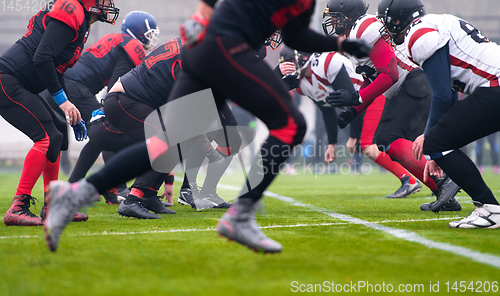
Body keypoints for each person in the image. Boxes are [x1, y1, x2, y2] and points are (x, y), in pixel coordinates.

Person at [43, 0, 371, 252]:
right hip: (223, 47)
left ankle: (74, 194)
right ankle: (241, 216)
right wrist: (202, 18)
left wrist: (340, 45)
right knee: (291, 125)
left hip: (206, 50)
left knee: (165, 144)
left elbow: (296, 34)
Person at [322, 0, 461, 210]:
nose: (332, 22)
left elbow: (390, 74)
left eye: (335, 16)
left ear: (348, 16)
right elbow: (373, 77)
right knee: (397, 143)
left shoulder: (364, 28)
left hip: (414, 82)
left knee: (387, 139)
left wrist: (357, 99)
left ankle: (444, 182)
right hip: (412, 85)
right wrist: (354, 110)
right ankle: (444, 193)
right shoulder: (354, 37)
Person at [378, 0, 500, 228]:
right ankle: (488, 208)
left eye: (388, 22)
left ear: (397, 20)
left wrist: (429, 138)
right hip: (493, 85)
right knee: (439, 141)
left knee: (435, 140)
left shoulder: (419, 34)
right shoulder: (433, 23)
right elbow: (450, 90)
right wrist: (437, 148)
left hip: (494, 86)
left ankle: (489, 209)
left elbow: (442, 94)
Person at [1, 0, 119, 226]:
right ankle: (18, 206)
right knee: (46, 138)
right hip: (8, 80)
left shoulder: (83, 22)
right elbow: (42, 58)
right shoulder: (71, 11)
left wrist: (69, 106)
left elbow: (57, 69)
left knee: (59, 136)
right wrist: (63, 102)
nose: (108, 4)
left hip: (20, 84)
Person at [44, 10, 159, 205]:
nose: (150, 40)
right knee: (103, 131)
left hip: (62, 86)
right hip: (73, 87)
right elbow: (116, 87)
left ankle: (90, 186)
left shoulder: (118, 40)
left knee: (99, 136)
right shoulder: (130, 45)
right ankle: (110, 186)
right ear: (138, 32)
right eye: (148, 35)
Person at [278, 45, 425, 198]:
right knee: (382, 143)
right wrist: (332, 144)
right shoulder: (302, 85)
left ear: (302, 57)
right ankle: (427, 175)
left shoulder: (327, 63)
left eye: (289, 62)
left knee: (368, 144)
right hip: (361, 101)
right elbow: (327, 110)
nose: (286, 68)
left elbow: (353, 101)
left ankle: (413, 178)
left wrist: (353, 136)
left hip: (370, 92)